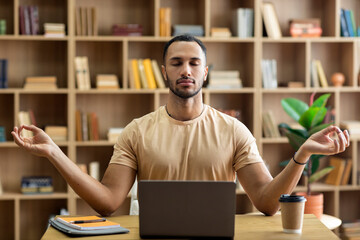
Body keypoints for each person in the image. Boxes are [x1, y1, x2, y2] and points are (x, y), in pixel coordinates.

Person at [12, 34, 350, 217]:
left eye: (193, 63)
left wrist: (303, 153)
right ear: (164, 72)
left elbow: (266, 202)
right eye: (176, 63)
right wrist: (54, 152)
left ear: (205, 72)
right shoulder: (137, 130)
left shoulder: (234, 130)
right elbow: (107, 202)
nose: (185, 70)